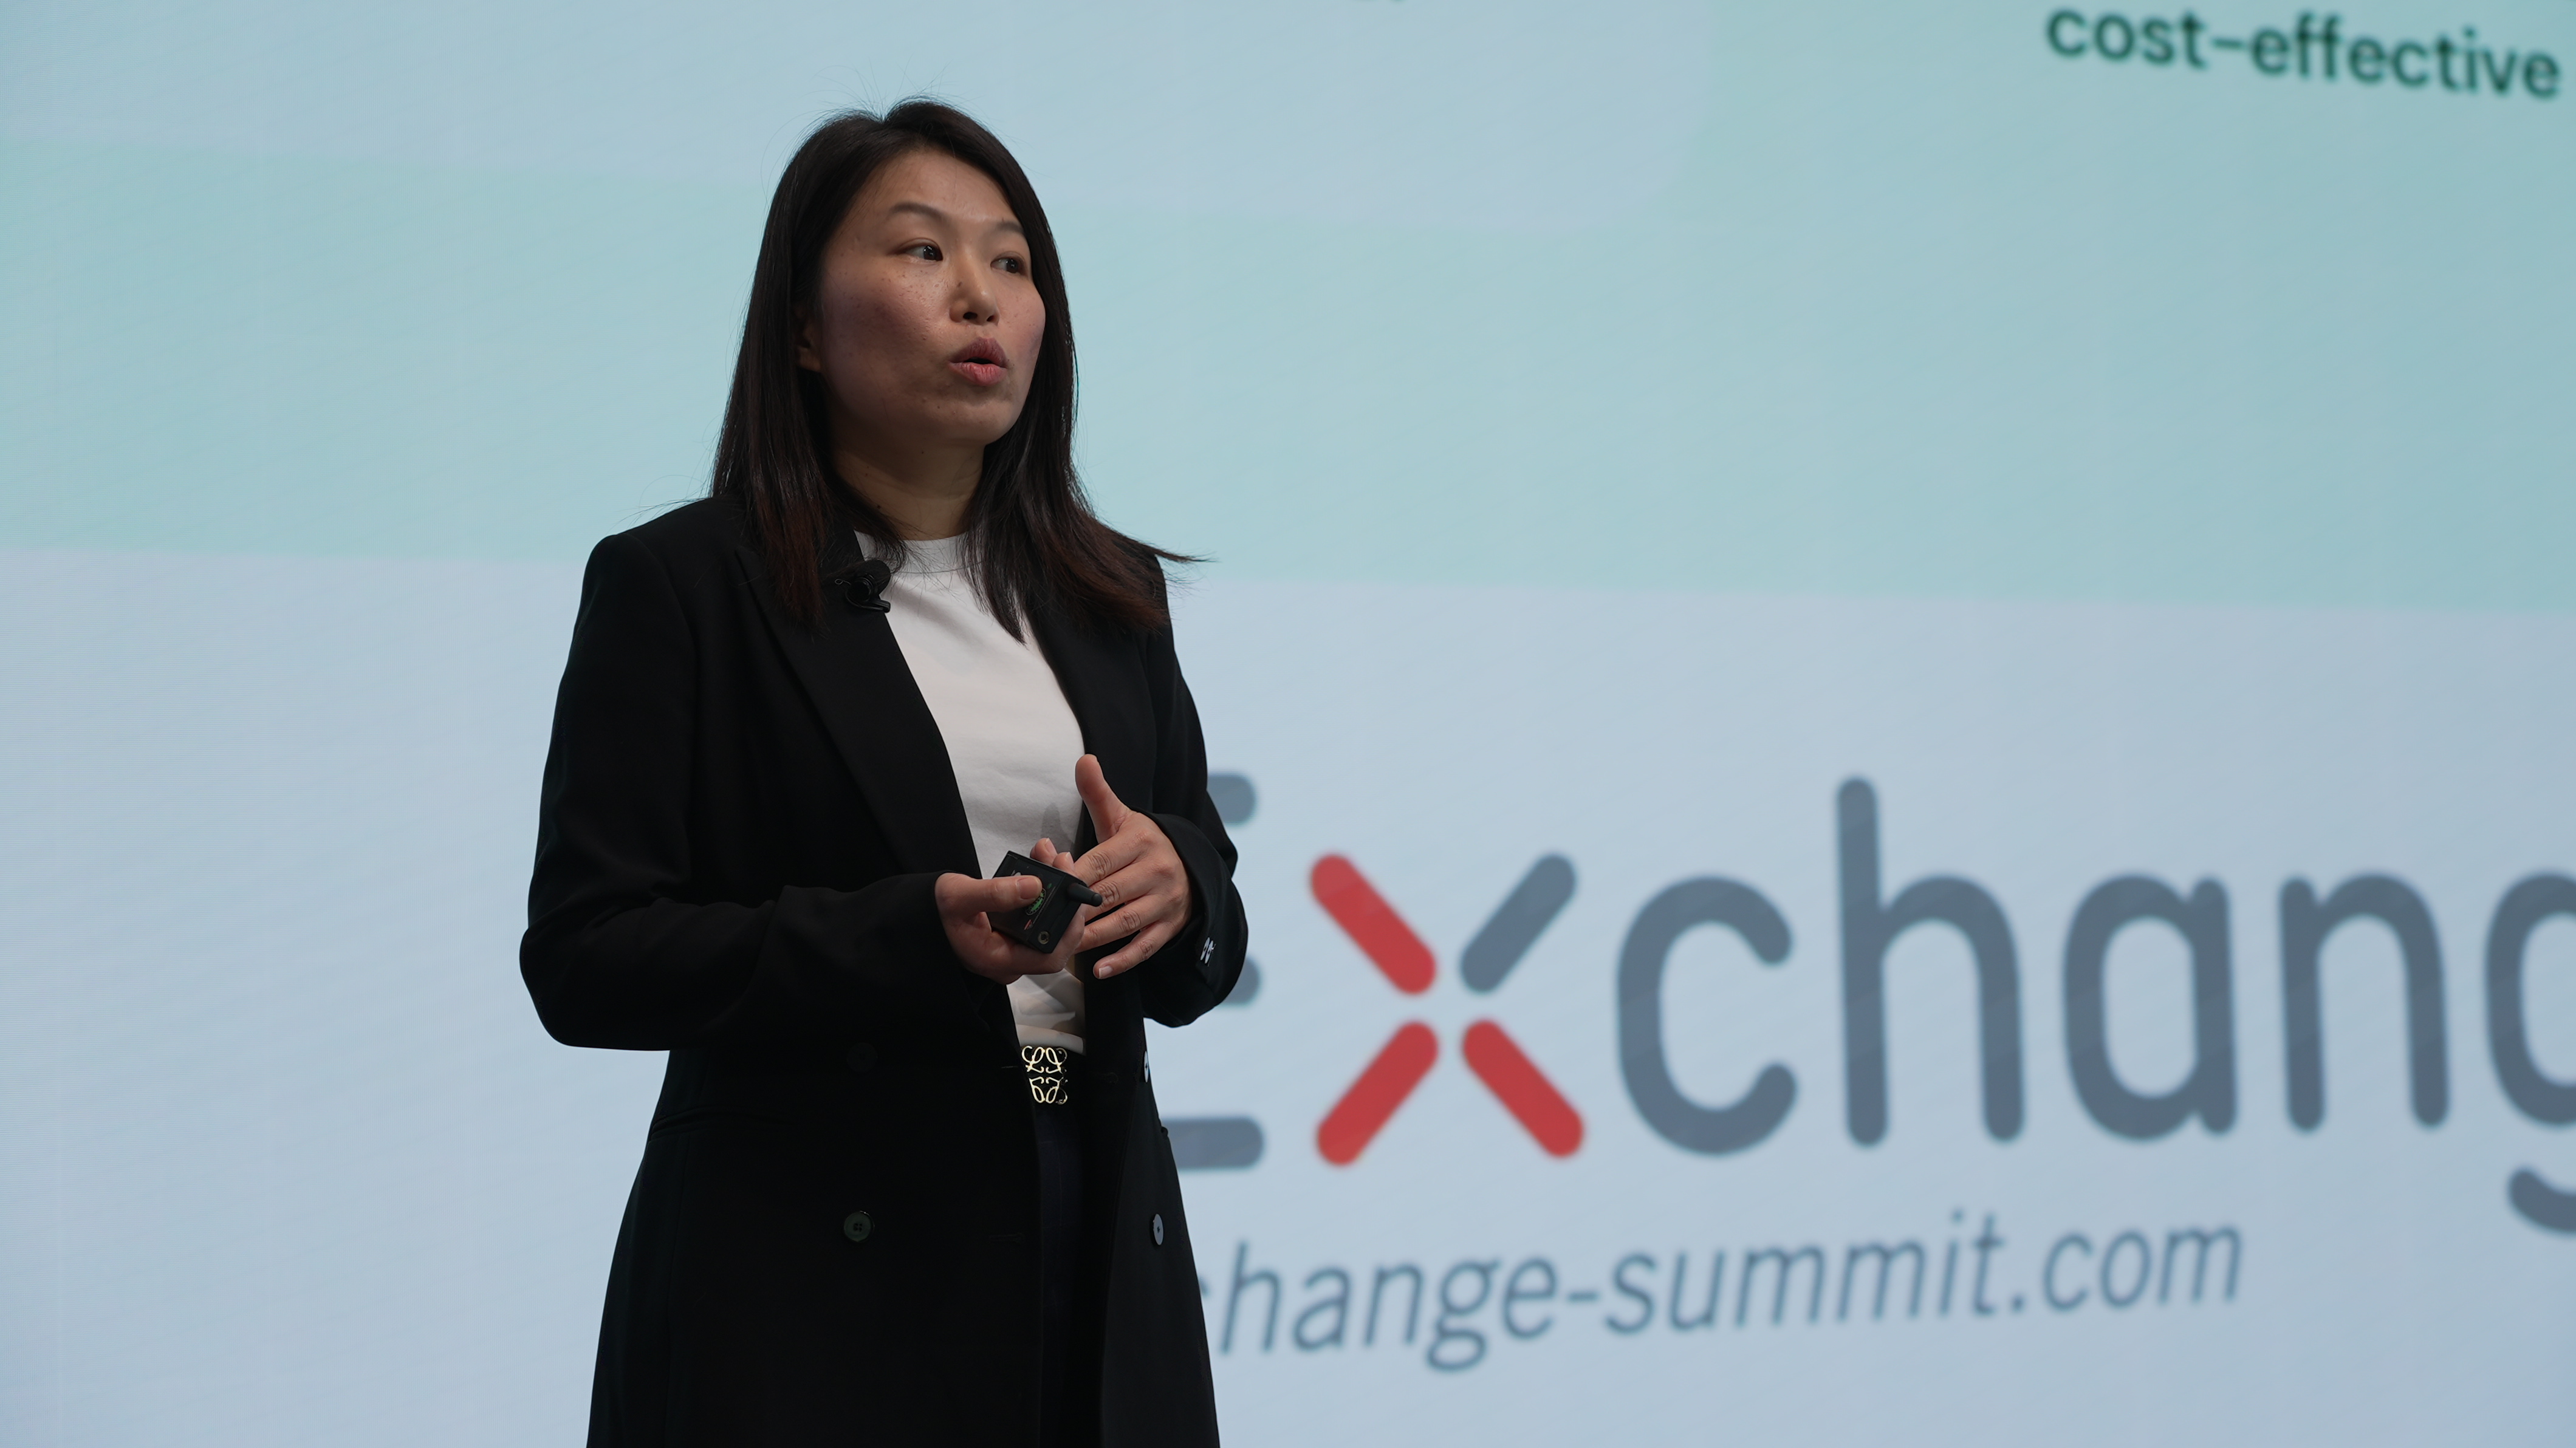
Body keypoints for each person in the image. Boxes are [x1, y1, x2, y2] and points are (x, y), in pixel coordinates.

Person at [521, 101, 1244, 1447]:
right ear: (804, 328)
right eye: (923, 251)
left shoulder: (1110, 595)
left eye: (1012, 261)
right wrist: (907, 934)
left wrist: (1182, 886)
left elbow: (1202, 901)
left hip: (1094, 1226)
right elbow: (587, 954)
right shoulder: (684, 587)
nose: (980, 295)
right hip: (813, 1284)